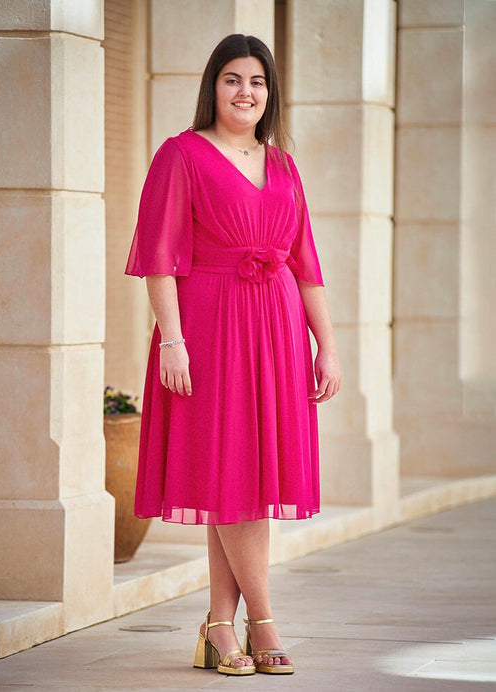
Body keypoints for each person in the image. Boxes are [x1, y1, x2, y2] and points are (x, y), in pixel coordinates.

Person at [125, 33, 341, 676]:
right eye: (232, 79)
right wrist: (172, 340)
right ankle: (262, 621)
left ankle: (221, 626)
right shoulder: (181, 154)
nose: (246, 92)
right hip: (209, 329)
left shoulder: (284, 166)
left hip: (277, 331)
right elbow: (159, 257)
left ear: (270, 93)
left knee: (248, 478)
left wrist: (327, 346)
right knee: (231, 469)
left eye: (257, 81)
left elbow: (306, 265)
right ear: (213, 87)